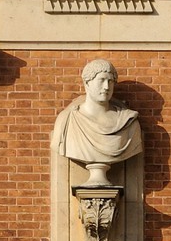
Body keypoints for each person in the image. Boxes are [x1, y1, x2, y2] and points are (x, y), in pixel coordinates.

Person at [51, 58, 143, 187]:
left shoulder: (128, 123)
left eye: (110, 81)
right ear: (87, 83)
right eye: (101, 80)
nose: (106, 87)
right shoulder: (67, 121)